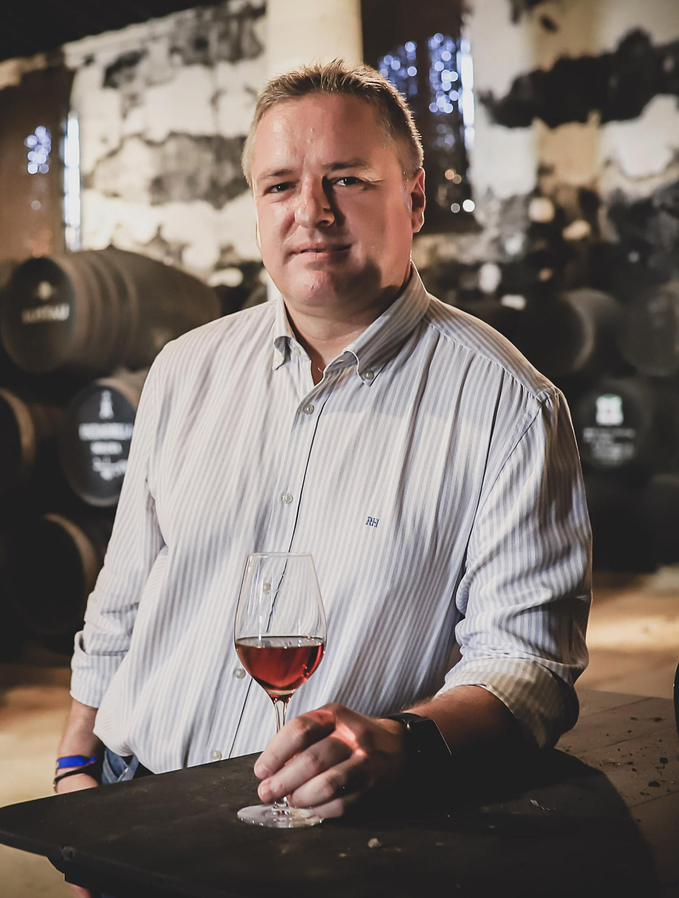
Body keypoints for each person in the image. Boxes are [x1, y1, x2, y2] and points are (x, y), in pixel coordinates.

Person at [52, 61, 591, 827]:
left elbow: (528, 666)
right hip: (131, 797)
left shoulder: (510, 405)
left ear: (415, 196)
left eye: (346, 179)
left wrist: (404, 743)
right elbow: (124, 596)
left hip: (340, 823)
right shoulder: (184, 369)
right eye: (279, 185)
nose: (311, 211)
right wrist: (77, 765)